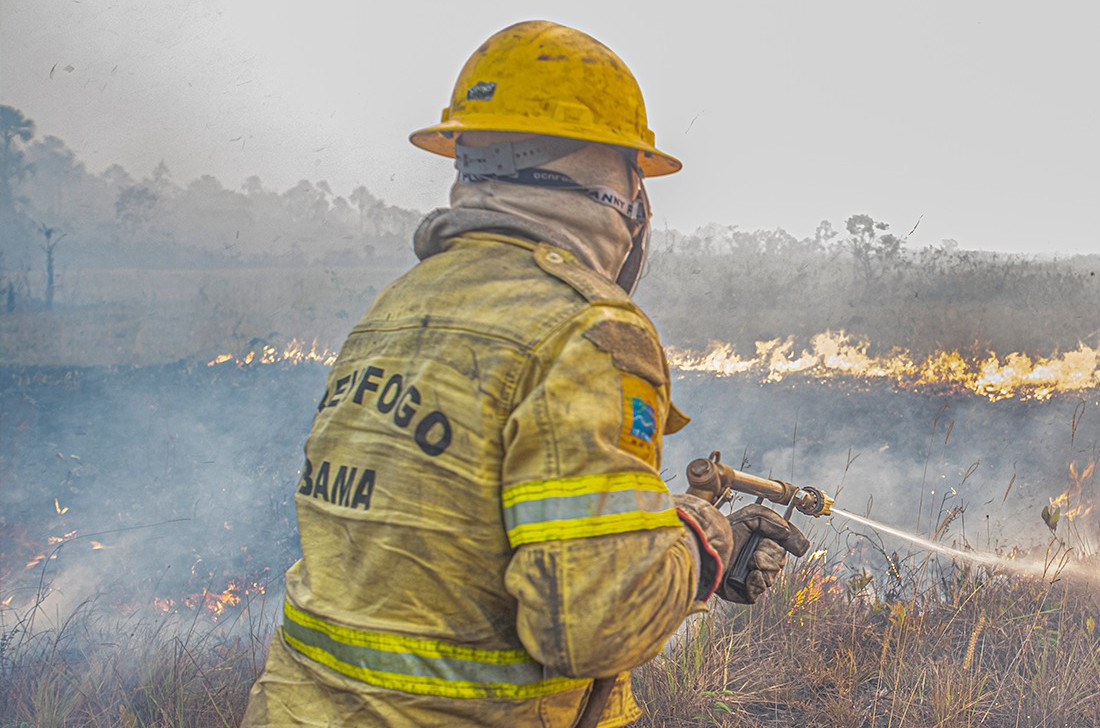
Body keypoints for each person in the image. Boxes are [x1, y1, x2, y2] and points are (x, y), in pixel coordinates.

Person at [243, 21, 809, 727]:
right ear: (614, 179)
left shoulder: (399, 306)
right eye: (635, 172)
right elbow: (594, 625)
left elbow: (465, 529)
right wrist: (704, 539)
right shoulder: (589, 330)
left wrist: (658, 534)